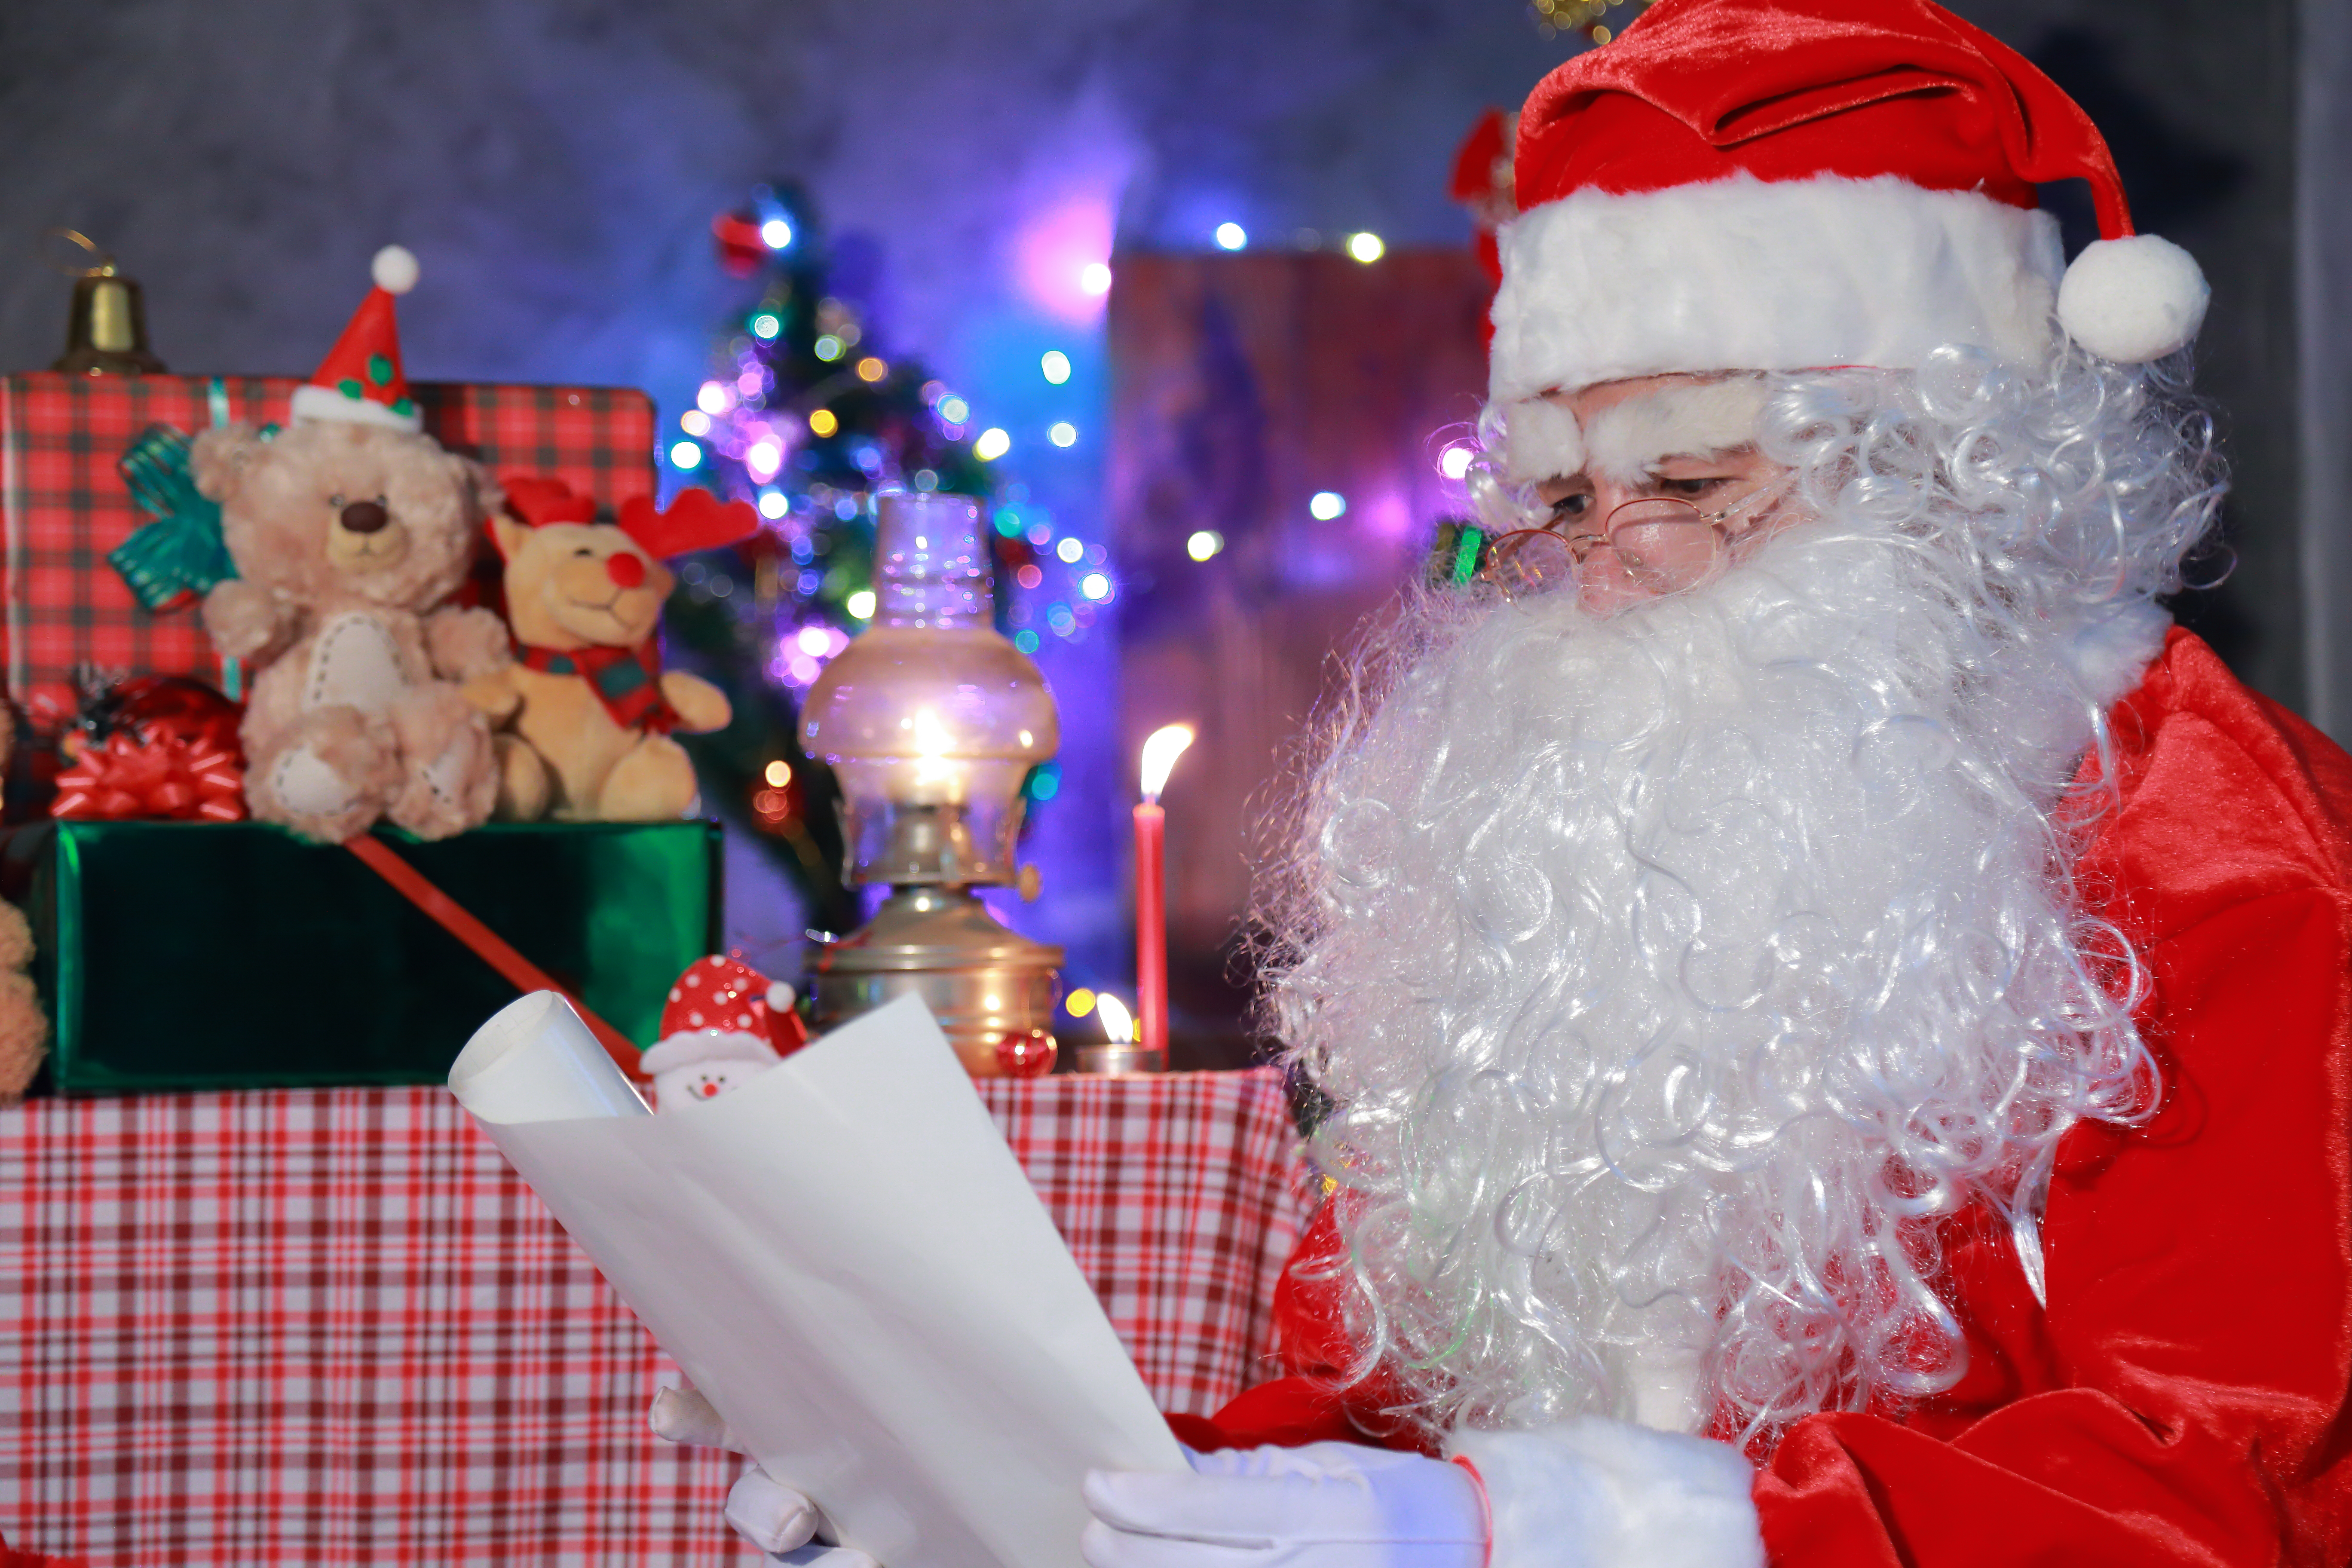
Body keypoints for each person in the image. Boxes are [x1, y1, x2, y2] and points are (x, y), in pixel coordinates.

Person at [662, 0, 2352, 1562]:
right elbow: (1394, 1423)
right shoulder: (1563, 833)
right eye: (1566, 504)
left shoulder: (2220, 842)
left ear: (1935, 472)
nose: (1615, 569)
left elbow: (2234, 1490)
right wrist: (1011, 1494)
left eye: (1687, 483)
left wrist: (1544, 1533)